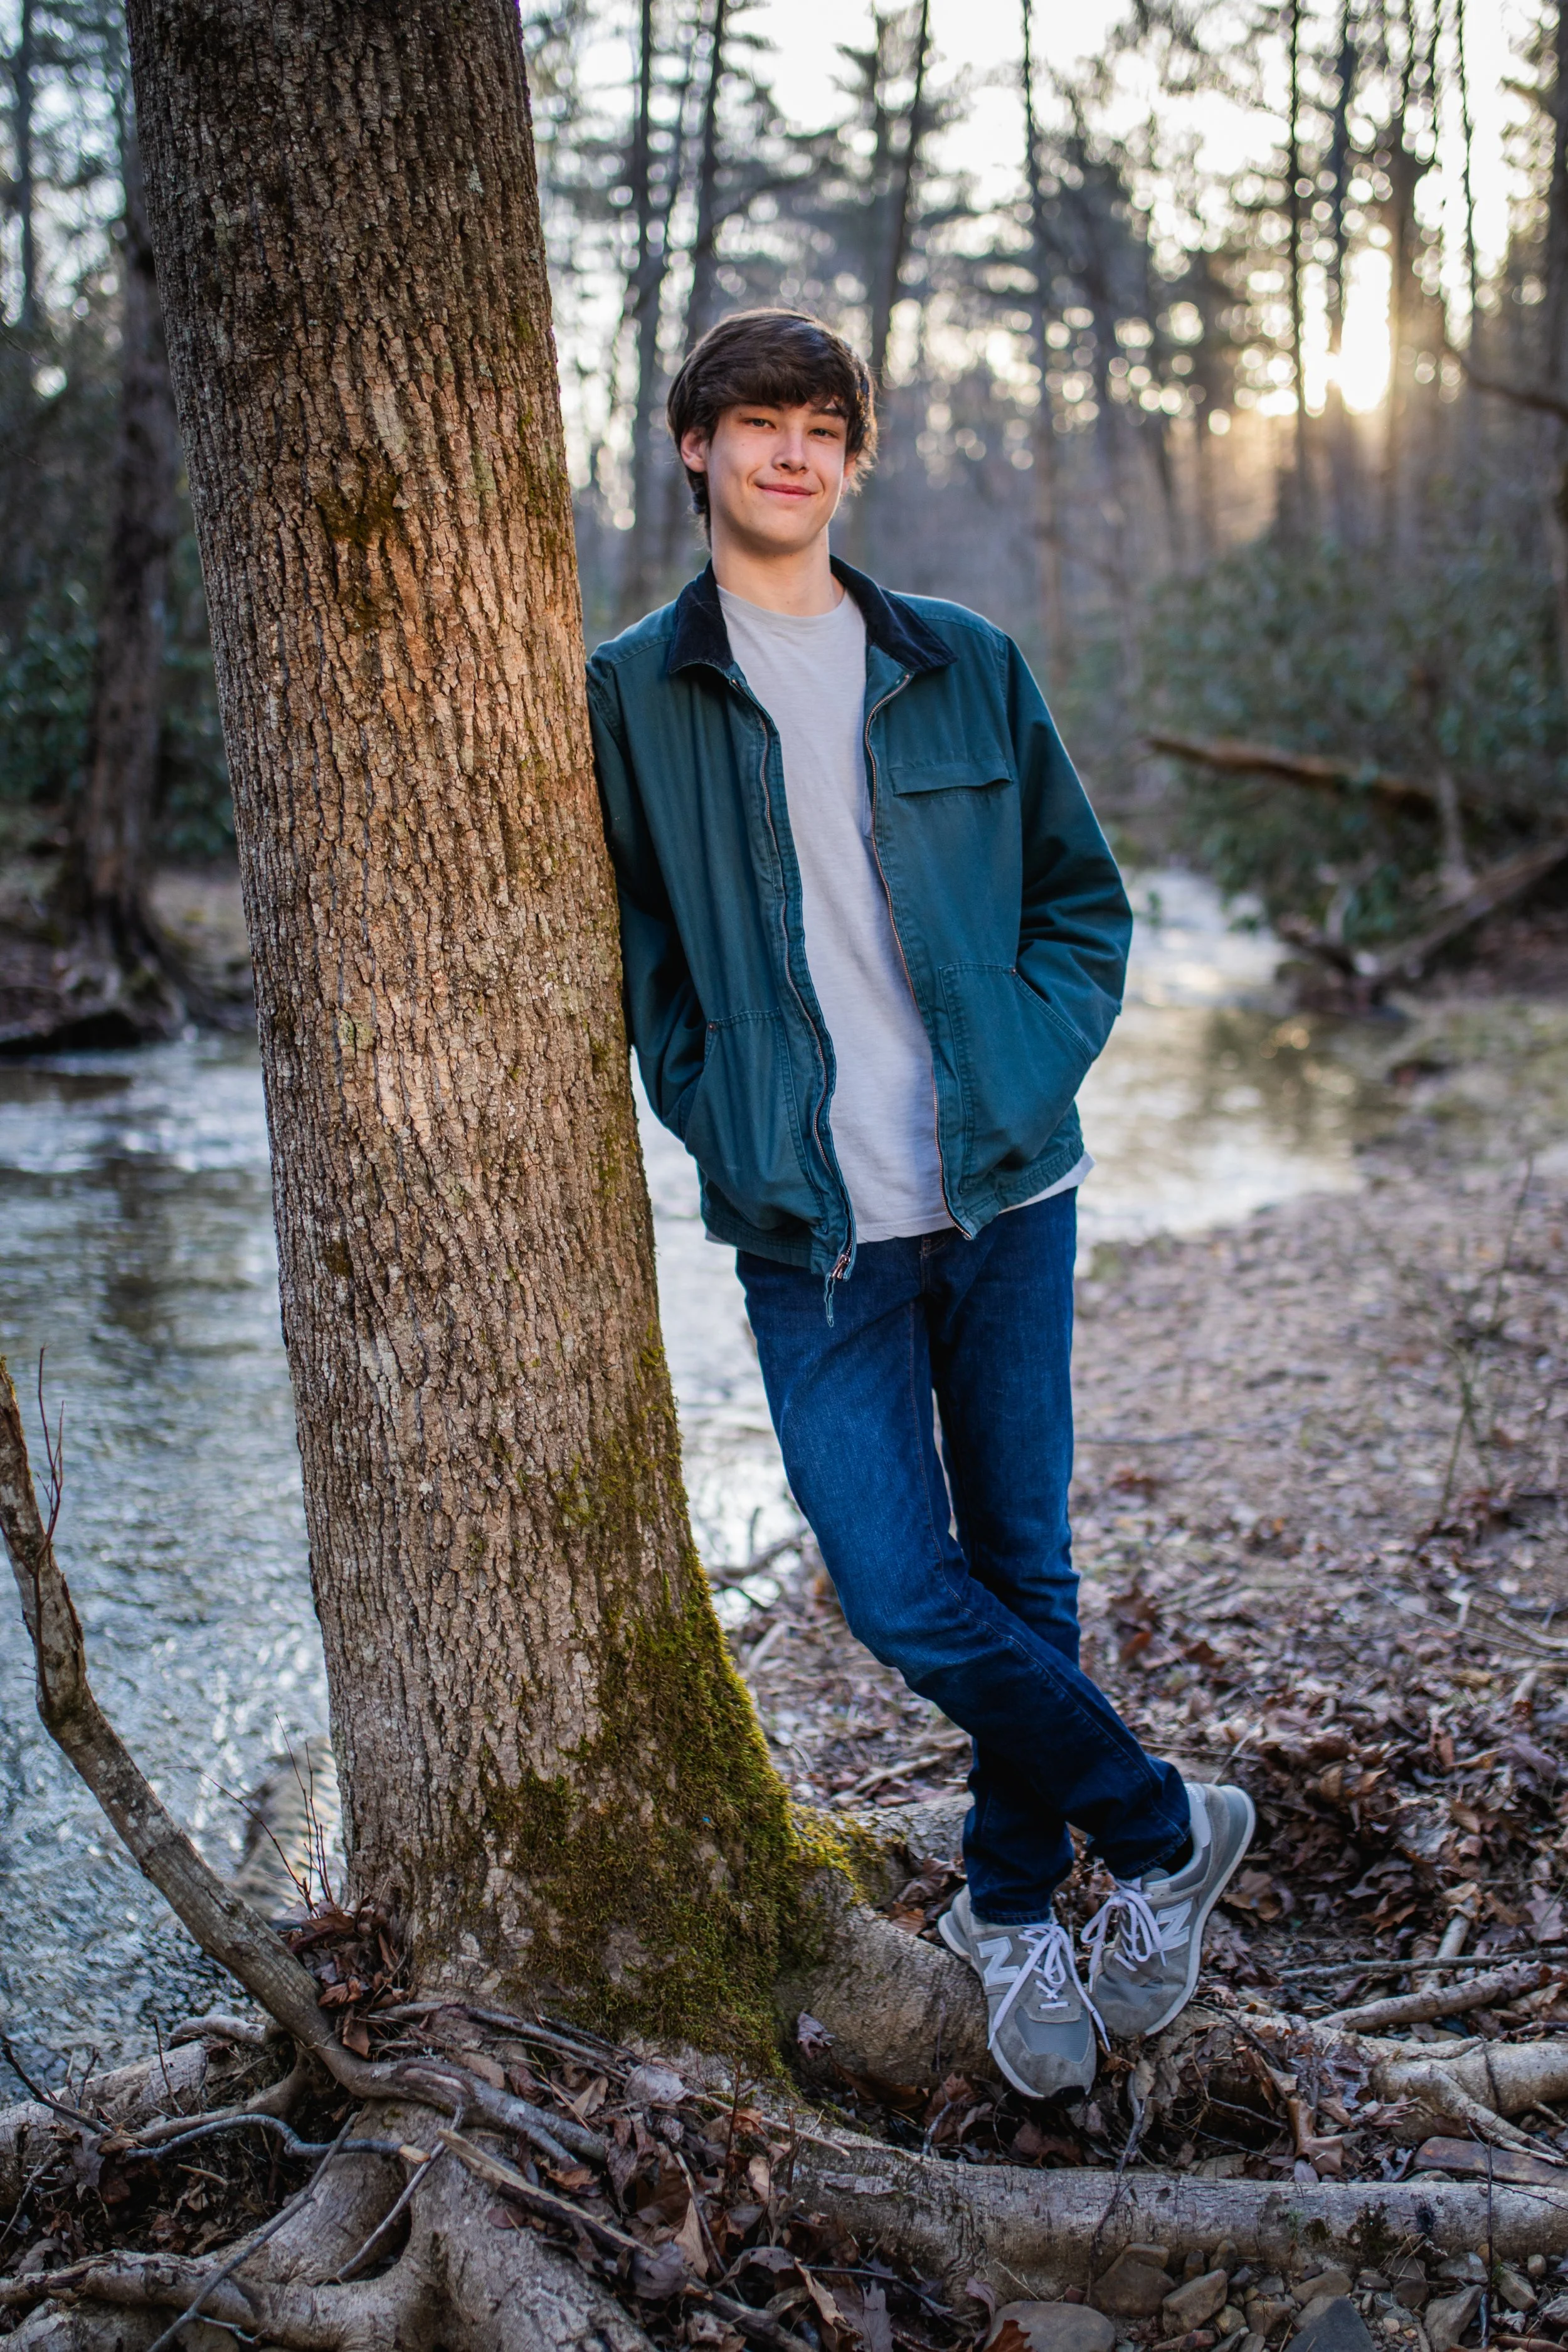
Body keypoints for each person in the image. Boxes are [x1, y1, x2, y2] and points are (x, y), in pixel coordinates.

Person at [586, 307, 1255, 2098]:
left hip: (1004, 1187)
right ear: (694, 450)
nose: (790, 453)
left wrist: (1023, 1077)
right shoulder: (634, 691)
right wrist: (717, 1107)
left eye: (820, 426)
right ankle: (1164, 1817)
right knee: (893, 1582)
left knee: (1022, 1564)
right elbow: (641, 949)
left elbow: (1082, 906)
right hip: (809, 1220)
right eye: (755, 425)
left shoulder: (960, 661)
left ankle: (1013, 1908)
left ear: (852, 458)